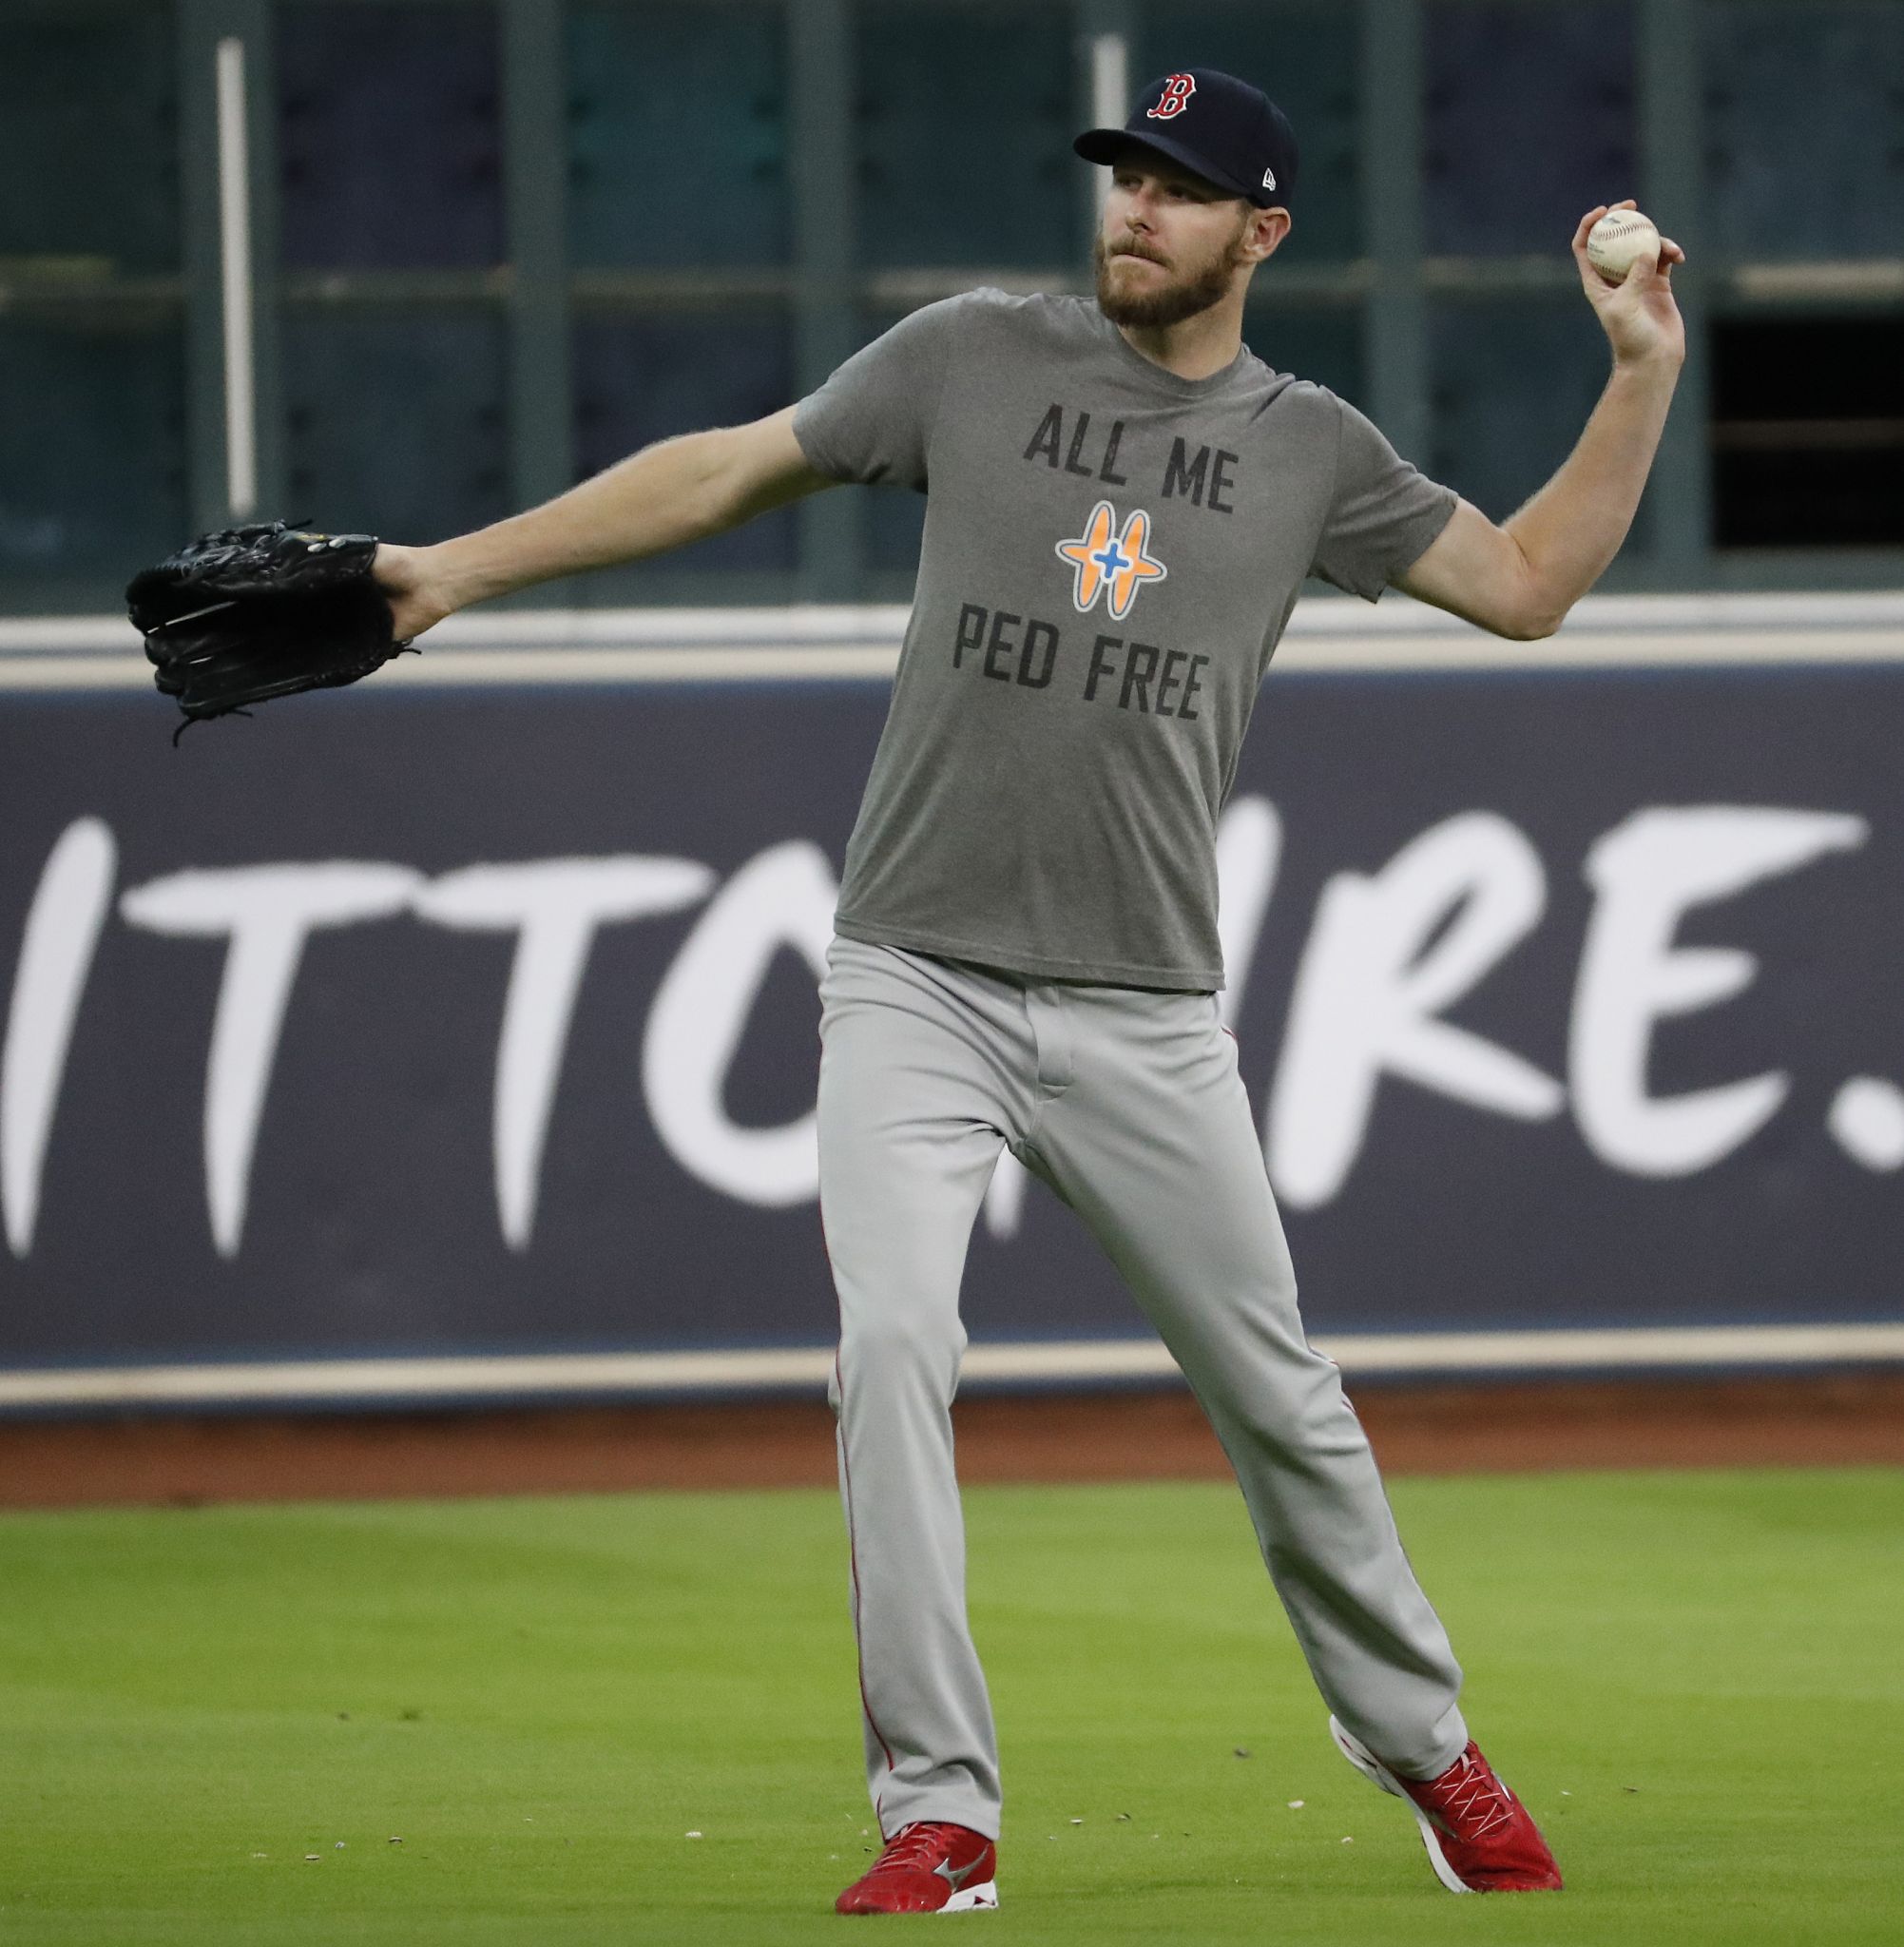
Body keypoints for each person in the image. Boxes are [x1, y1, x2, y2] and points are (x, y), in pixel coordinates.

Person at [376, 67, 1684, 1916]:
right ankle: (943, 1811)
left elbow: (1536, 584)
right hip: (912, 970)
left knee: (1282, 1397)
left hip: (1144, 1009)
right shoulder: (973, 356)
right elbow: (728, 464)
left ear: (1262, 230)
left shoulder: (1312, 448)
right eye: (1125, 178)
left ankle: (1426, 1745)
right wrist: (446, 575)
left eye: (1181, 187)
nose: (1135, 209)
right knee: (893, 1351)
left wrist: (1638, 368)